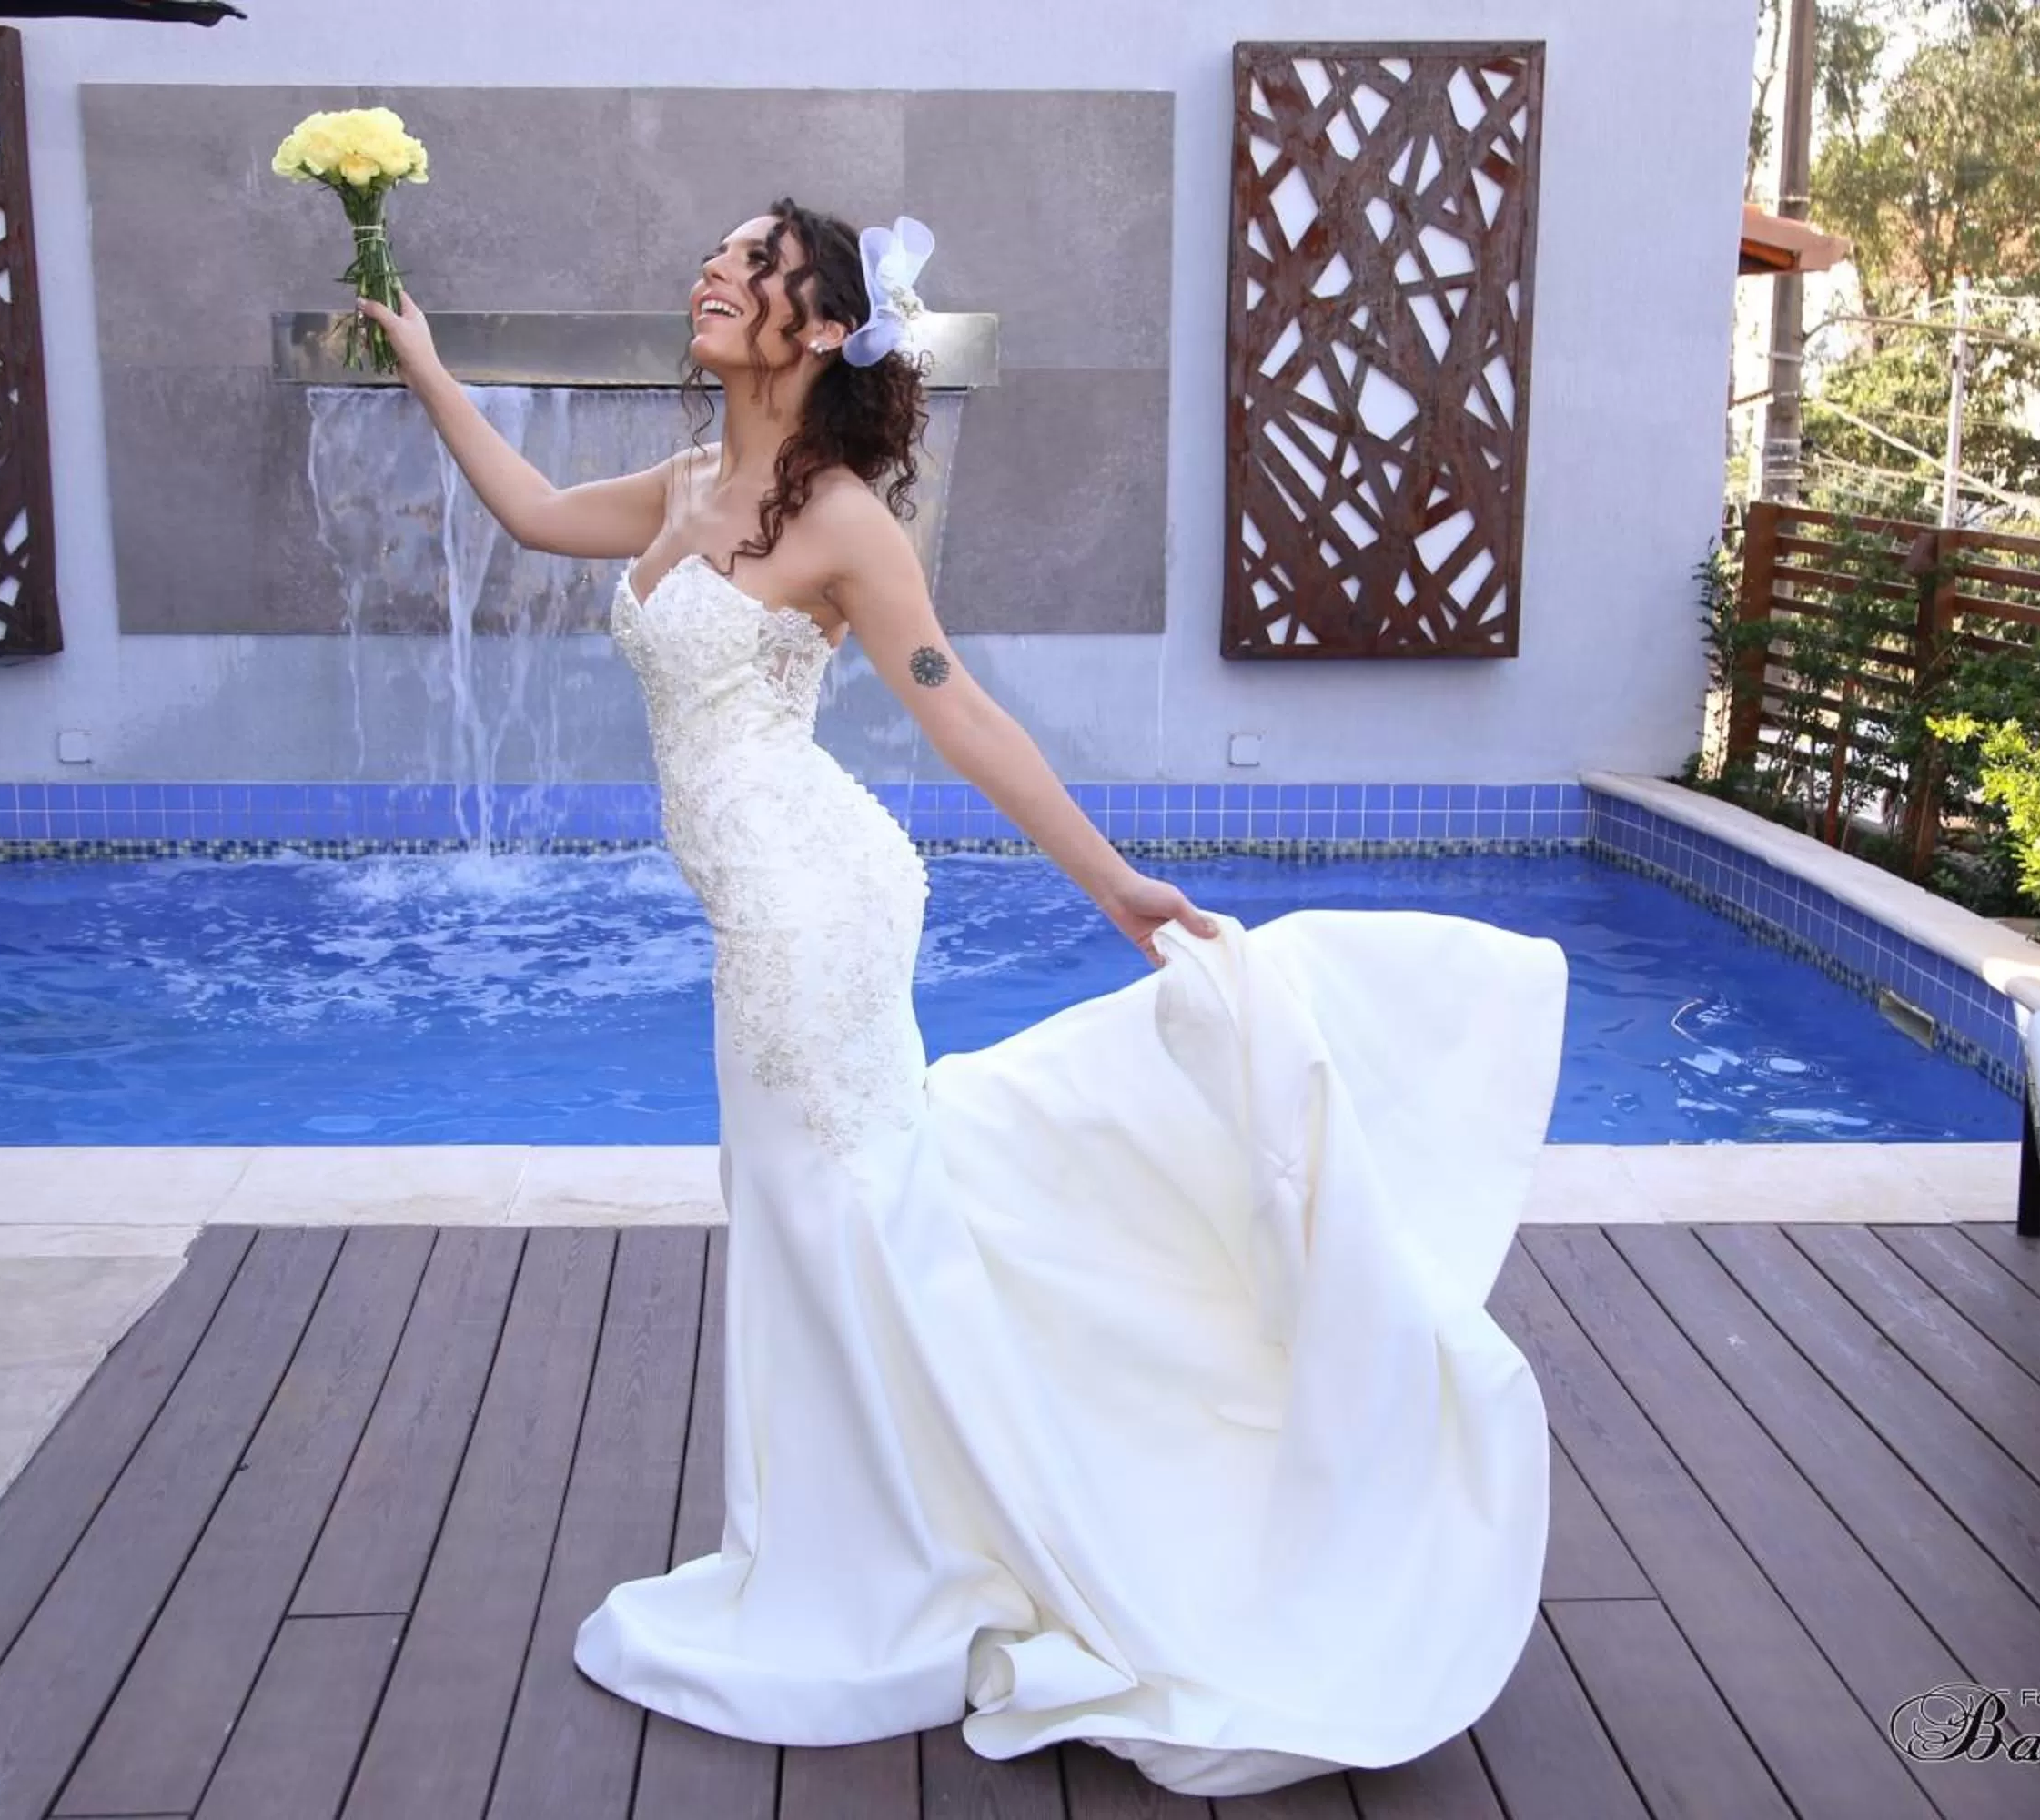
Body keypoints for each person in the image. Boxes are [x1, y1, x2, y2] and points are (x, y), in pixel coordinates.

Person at [357, 198, 1568, 1799]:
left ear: (819, 328)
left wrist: (1116, 882)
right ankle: (846, 1536)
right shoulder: (682, 484)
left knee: (834, 1213)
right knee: (817, 1219)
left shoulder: (844, 516)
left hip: (815, 904)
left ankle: (887, 1562)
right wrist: (425, 362)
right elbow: (521, 510)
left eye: (754, 266)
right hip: (763, 902)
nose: (714, 275)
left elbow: (959, 709)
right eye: (718, 257)